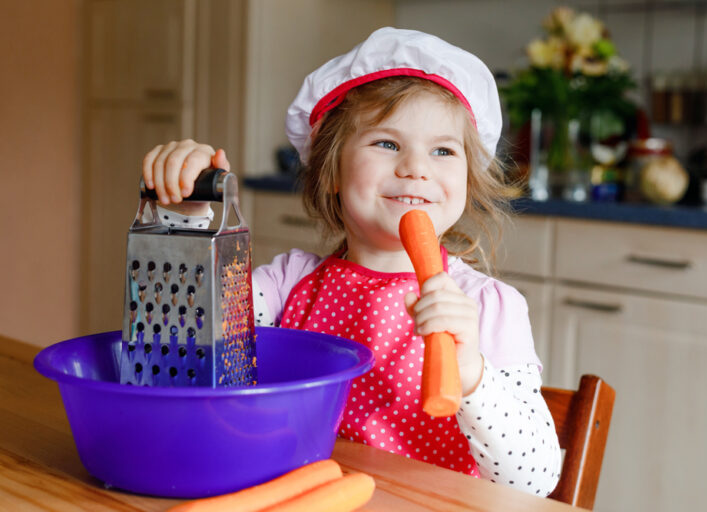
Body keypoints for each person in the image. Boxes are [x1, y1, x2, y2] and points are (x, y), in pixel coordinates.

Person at [141, 27, 561, 496]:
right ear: (332, 171)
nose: (416, 168)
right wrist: (189, 218)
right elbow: (180, 355)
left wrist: (473, 377)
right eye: (387, 144)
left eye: (443, 150)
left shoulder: (488, 307)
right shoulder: (287, 285)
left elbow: (536, 480)